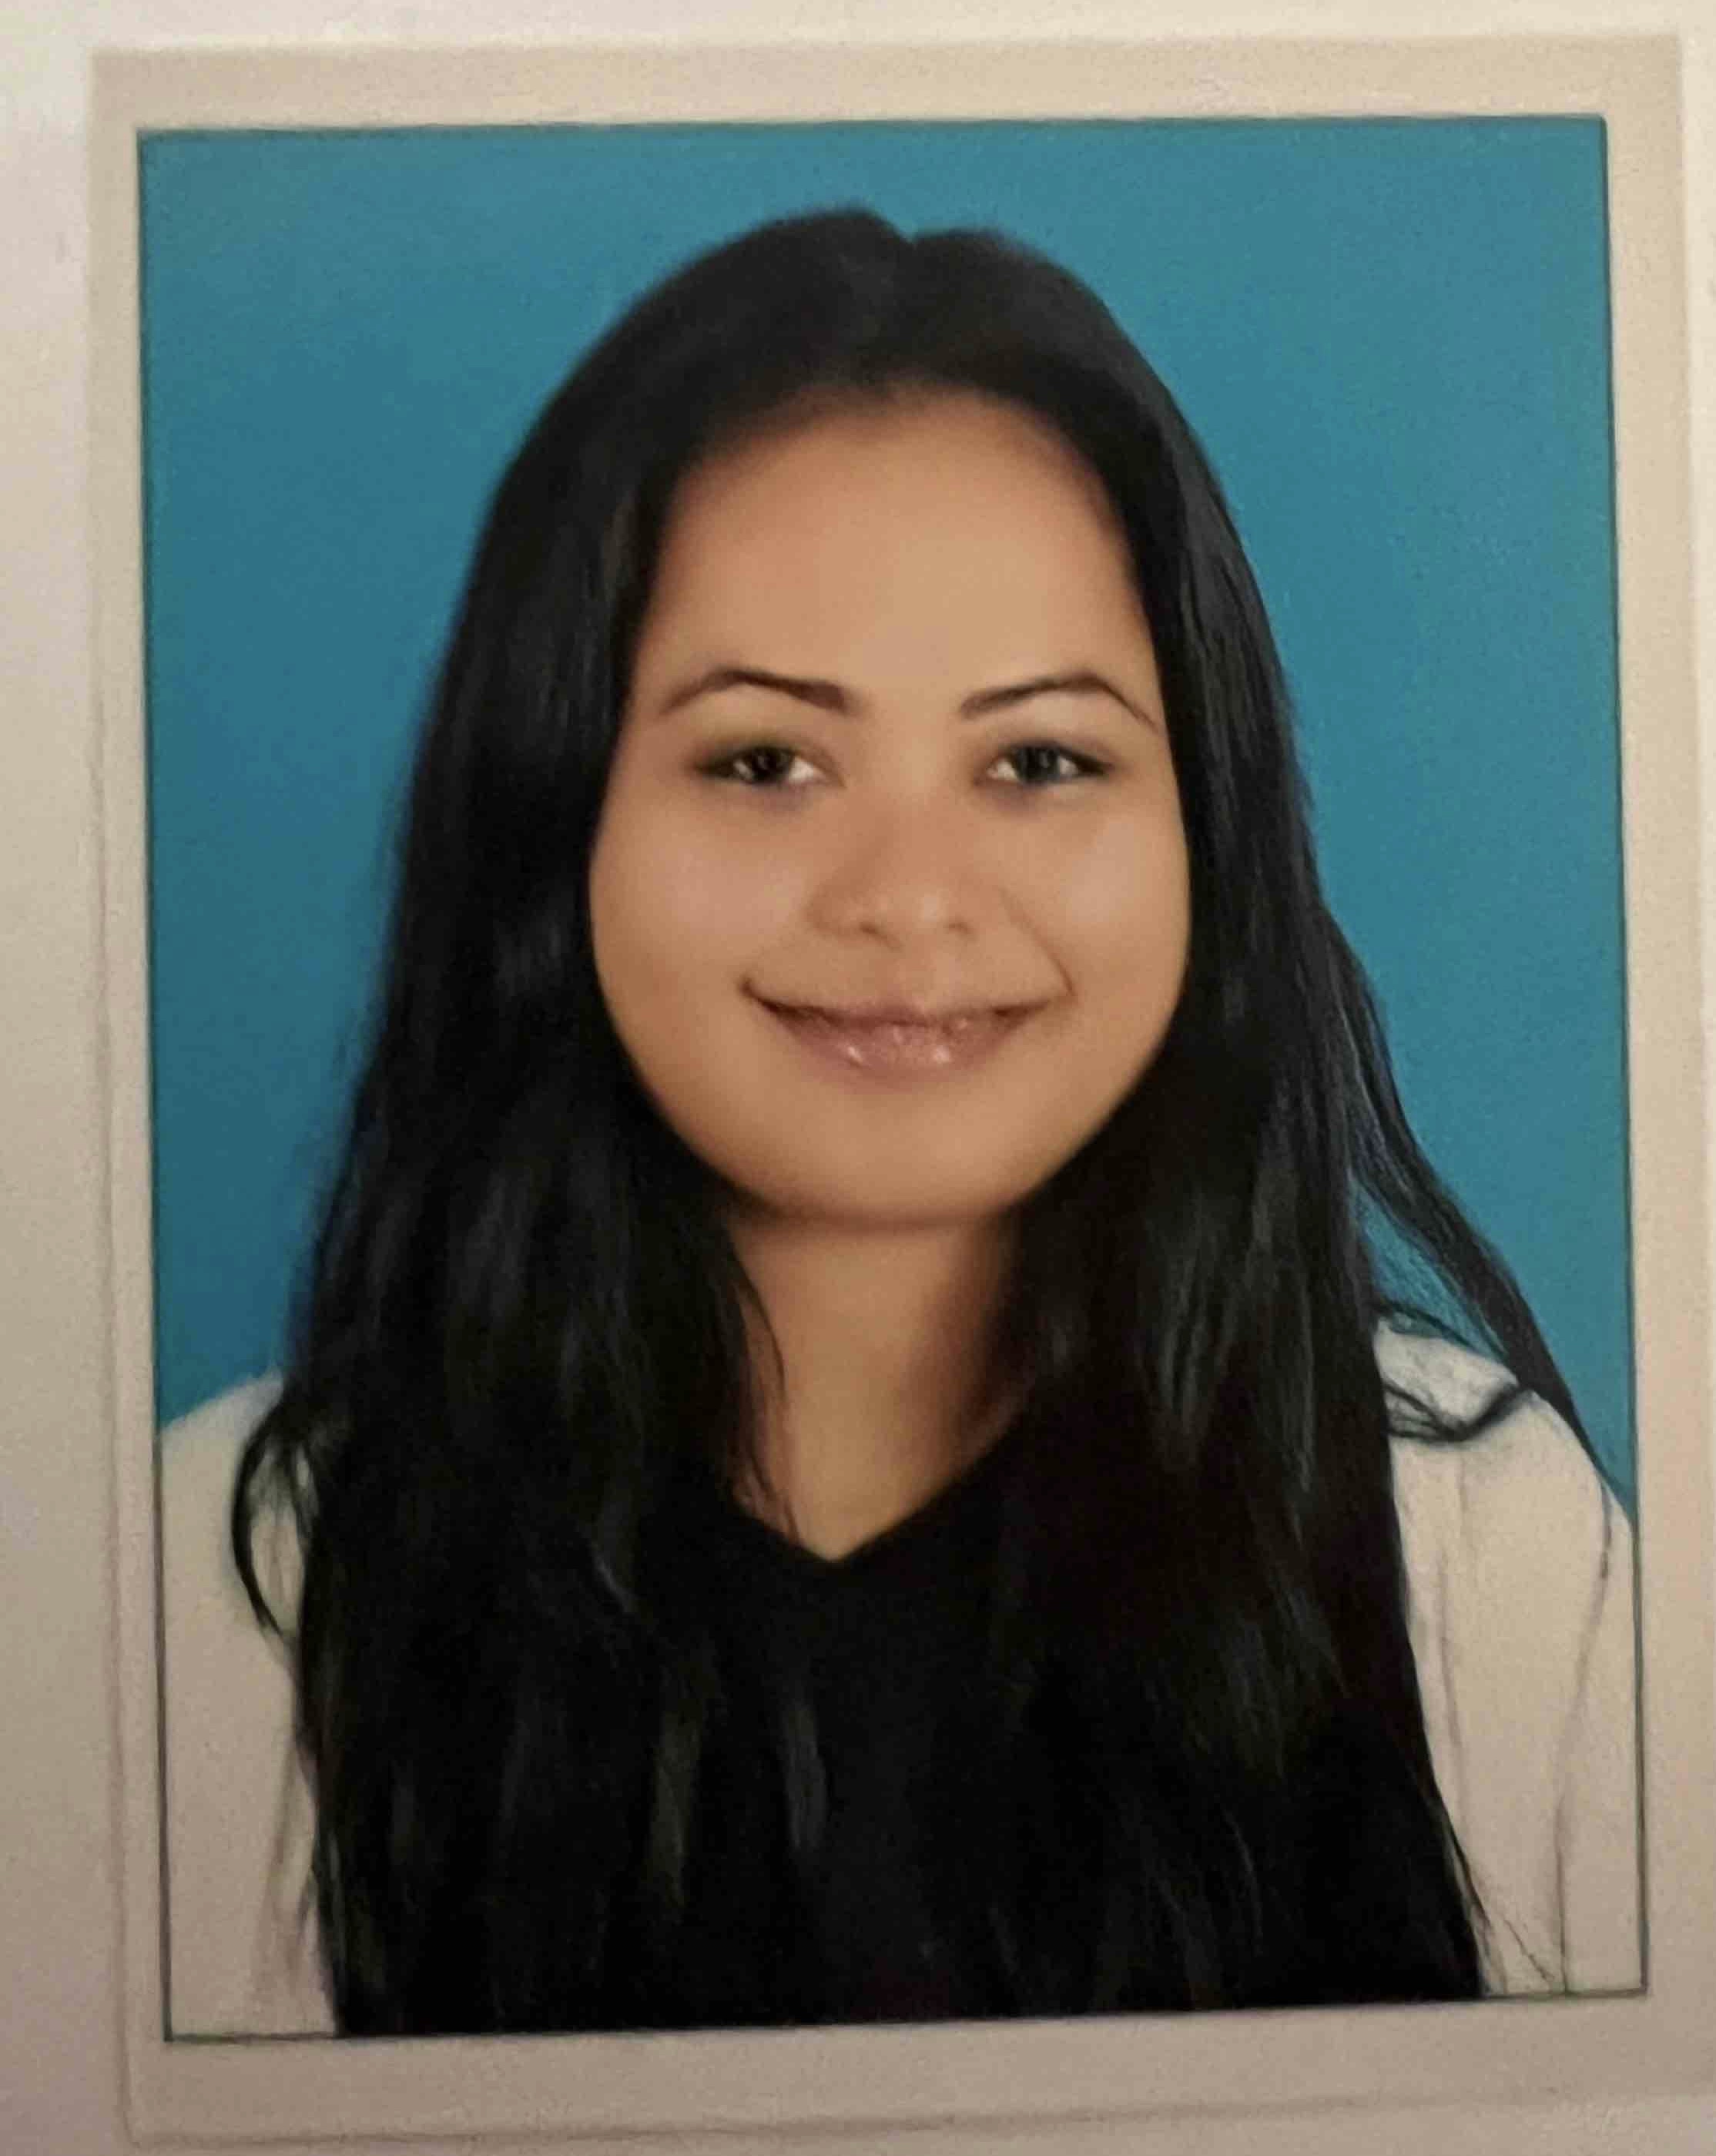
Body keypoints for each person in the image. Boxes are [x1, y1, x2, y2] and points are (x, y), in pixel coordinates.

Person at [158, 208, 1638, 2038]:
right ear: (554, 822)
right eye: (764, 759)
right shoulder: (221, 1591)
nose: (910, 898)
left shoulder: (1486, 1554)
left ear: (1207, 825)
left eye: (1039, 760)